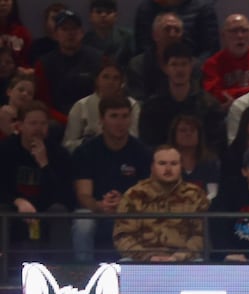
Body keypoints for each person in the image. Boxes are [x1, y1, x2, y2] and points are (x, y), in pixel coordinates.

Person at [70, 94, 150, 262]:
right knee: (83, 223)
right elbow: (84, 195)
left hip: (130, 210)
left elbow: (146, 193)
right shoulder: (86, 151)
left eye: (124, 116)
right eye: (113, 116)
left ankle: (132, 274)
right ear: (102, 120)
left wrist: (125, 204)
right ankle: (84, 275)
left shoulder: (142, 152)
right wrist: (99, 205)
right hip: (94, 209)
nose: (120, 122)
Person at [113, 144, 209, 261]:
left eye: (173, 164)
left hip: (184, 261)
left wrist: (181, 256)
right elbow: (123, 235)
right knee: (126, 262)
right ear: (152, 167)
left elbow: (202, 235)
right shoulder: (134, 194)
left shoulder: (196, 194)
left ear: (181, 166)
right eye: (162, 163)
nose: (168, 169)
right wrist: (148, 257)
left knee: (199, 262)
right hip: (143, 261)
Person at [0, 99, 72, 252]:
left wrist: (44, 164)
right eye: (33, 123)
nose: (38, 128)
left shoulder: (58, 153)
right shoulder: (6, 150)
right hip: (14, 210)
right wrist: (17, 201)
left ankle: (61, 270)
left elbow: (64, 195)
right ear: (20, 126)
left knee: (58, 211)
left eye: (43, 124)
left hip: (45, 211)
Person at [137, 40, 226, 153]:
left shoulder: (209, 105)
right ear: (165, 68)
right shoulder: (152, 107)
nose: (179, 70)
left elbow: (216, 146)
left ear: (191, 66)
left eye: (184, 64)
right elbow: (148, 146)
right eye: (174, 64)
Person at [32, 8, 103, 117]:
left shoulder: (98, 59)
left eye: (74, 29)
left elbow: (105, 96)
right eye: (64, 29)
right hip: (58, 120)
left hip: (93, 117)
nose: (70, 33)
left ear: (82, 33)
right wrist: (65, 121)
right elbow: (42, 103)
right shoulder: (44, 64)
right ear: (55, 34)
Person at [63, 60, 140, 152]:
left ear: (121, 83)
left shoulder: (132, 105)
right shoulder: (81, 106)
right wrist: (87, 142)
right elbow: (68, 144)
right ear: (96, 80)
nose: (110, 82)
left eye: (116, 78)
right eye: (105, 77)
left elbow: (135, 137)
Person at [201, 13, 249, 107]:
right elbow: (215, 96)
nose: (240, 36)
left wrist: (233, 94)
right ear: (223, 36)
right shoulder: (212, 64)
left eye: (244, 30)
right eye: (234, 31)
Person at [84, 0, 135, 70]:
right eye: (99, 12)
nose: (103, 15)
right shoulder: (84, 40)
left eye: (109, 12)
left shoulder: (128, 37)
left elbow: (133, 62)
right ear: (90, 16)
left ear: (116, 16)